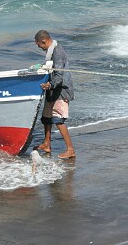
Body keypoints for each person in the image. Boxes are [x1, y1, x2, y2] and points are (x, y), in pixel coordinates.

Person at [34, 30, 76, 159]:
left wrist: (50, 85)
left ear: (44, 41)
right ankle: (47, 143)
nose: (39, 47)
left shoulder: (57, 52)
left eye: (39, 45)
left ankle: (70, 149)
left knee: (58, 119)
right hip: (52, 90)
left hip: (61, 90)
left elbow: (59, 74)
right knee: (46, 118)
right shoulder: (51, 51)